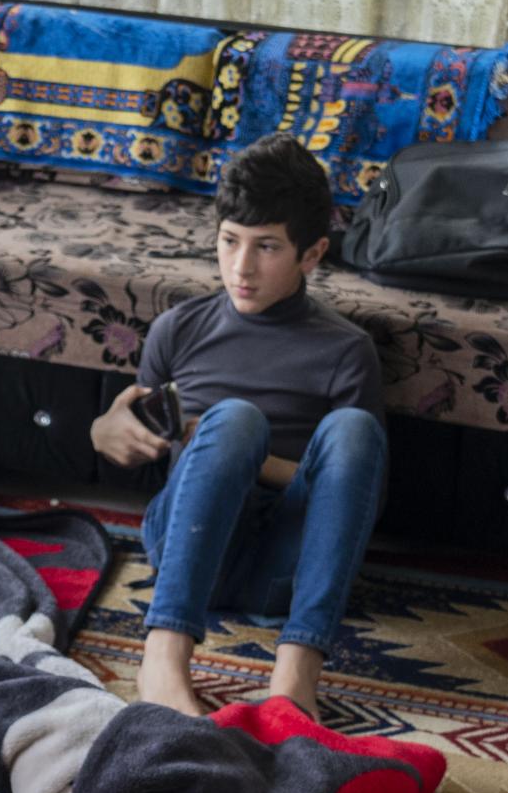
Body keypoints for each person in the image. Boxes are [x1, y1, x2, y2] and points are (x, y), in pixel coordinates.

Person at [90, 135, 387, 719]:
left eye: (267, 247)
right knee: (235, 420)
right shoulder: (179, 328)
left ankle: (296, 675)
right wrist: (107, 429)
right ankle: (164, 657)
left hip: (281, 568)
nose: (240, 267)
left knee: (352, 430)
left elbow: (355, 494)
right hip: (187, 546)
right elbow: (131, 432)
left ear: (313, 254)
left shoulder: (346, 350)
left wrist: (233, 446)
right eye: (229, 242)